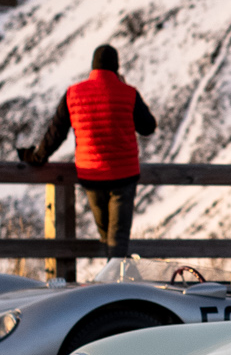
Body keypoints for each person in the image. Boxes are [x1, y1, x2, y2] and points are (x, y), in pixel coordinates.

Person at [18, 45, 157, 252]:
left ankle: (109, 277)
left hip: (91, 176)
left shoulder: (73, 94)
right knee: (118, 238)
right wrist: (124, 92)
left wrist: (38, 156)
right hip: (124, 176)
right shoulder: (128, 93)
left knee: (106, 235)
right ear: (116, 67)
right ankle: (115, 280)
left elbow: (56, 133)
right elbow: (148, 127)